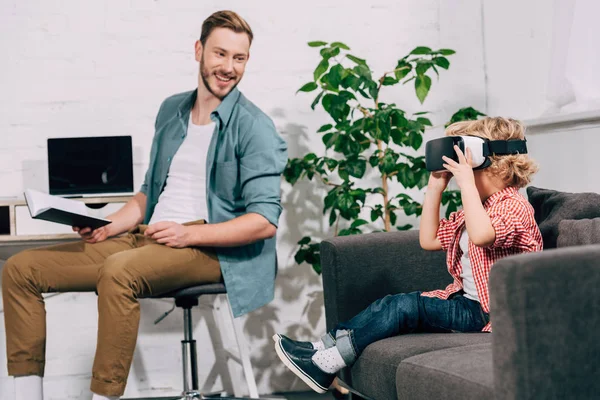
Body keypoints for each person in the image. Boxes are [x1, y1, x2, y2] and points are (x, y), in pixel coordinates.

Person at [2, 10, 287, 400]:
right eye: (220, 54)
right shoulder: (171, 111)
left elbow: (263, 221)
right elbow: (149, 193)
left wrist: (189, 232)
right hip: (148, 237)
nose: (228, 67)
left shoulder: (254, 127)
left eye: (239, 58)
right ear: (199, 50)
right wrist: (107, 225)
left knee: (118, 272)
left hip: (209, 248)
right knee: (21, 269)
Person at [273, 117, 542, 394]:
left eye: (469, 168)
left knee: (402, 308)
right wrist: (435, 187)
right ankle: (323, 349)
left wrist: (466, 187)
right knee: (390, 304)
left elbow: (482, 235)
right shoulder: (477, 208)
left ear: (494, 164)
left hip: (490, 313)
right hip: (466, 303)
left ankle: (328, 361)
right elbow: (429, 240)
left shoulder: (513, 206)